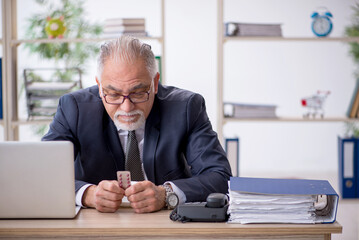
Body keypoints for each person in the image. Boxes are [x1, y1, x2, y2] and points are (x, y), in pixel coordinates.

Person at [42, 36, 232, 213]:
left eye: (138, 93)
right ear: (99, 87)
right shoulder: (73, 109)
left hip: (165, 225)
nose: (126, 107)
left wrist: (166, 194)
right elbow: (44, 172)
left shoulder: (187, 108)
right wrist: (87, 194)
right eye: (114, 94)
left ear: (155, 83)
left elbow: (219, 176)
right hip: (95, 224)